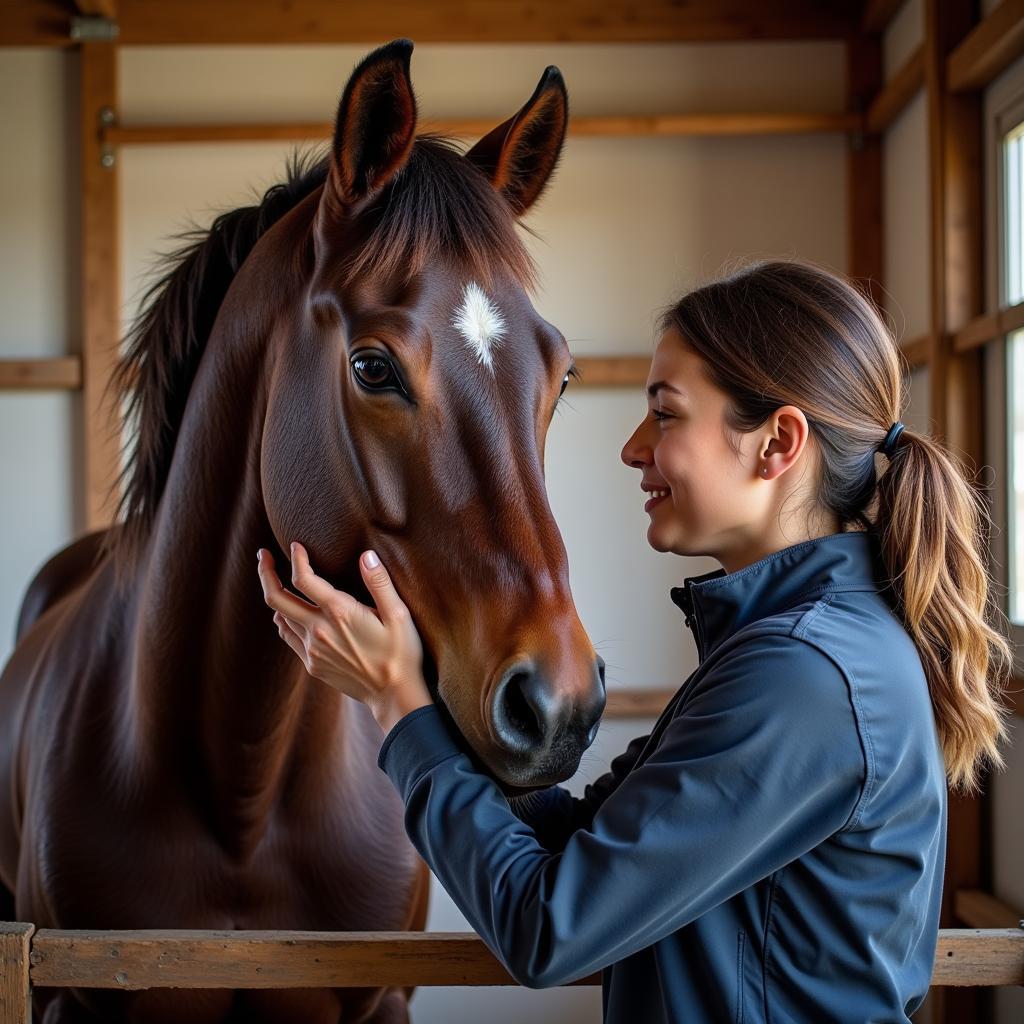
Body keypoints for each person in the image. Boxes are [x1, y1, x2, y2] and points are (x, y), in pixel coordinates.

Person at [256, 258, 1012, 1022]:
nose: (633, 446)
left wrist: (398, 709)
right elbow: (579, 846)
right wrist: (421, 680)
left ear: (777, 443)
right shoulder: (787, 650)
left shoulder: (809, 677)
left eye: (667, 413)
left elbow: (549, 926)